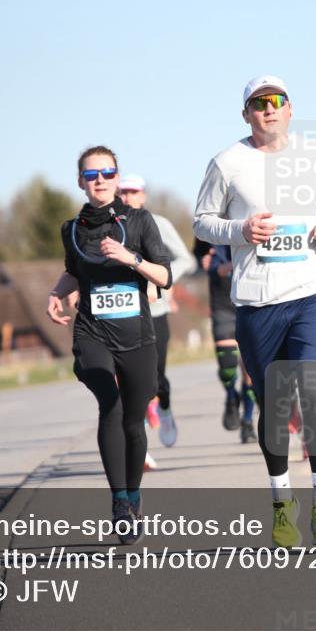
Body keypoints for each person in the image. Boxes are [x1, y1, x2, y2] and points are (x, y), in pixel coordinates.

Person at [193, 75, 316, 548]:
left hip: (310, 294)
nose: (269, 109)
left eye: (277, 101)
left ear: (290, 109)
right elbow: (201, 221)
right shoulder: (227, 162)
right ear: (246, 114)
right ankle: (283, 503)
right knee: (275, 407)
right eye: (259, 103)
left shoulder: (315, 154)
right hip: (258, 301)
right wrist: (241, 230)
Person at [47, 146, 173, 545]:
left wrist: (129, 258)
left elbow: (165, 276)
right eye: (90, 174)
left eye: (106, 172)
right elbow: (73, 272)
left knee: (134, 422)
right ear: (80, 181)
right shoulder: (71, 229)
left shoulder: (139, 221)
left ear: (117, 178)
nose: (99, 180)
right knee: (110, 404)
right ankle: (119, 501)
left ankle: (133, 495)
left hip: (136, 336)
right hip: (92, 331)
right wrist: (57, 291)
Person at [118, 173, 197, 449]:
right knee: (128, 377)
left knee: (155, 375)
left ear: (143, 196)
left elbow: (185, 259)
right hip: (124, 312)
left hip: (156, 309)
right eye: (122, 192)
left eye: (132, 192)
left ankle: (164, 407)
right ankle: (137, 442)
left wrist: (158, 280)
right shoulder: (113, 225)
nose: (126, 197)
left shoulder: (159, 224)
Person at [200, 240, 259, 443]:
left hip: (250, 305)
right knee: (227, 367)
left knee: (249, 371)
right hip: (223, 307)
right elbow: (212, 266)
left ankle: (248, 421)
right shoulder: (216, 238)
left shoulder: (256, 235)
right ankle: (231, 396)